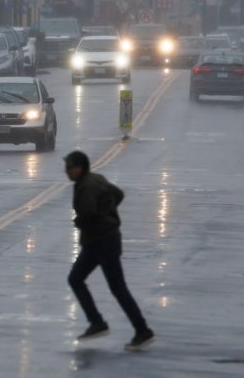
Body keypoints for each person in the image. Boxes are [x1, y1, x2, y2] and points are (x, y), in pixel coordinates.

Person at [64, 150, 154, 350]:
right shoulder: (94, 179)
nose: (67, 172)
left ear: (79, 168)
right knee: (76, 278)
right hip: (97, 242)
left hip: (104, 242)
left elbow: (88, 213)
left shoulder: (87, 185)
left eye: (70, 168)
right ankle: (96, 322)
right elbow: (118, 194)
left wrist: (82, 221)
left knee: (117, 288)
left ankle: (142, 330)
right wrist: (108, 212)